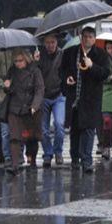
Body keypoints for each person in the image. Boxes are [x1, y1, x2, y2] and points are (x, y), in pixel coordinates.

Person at [61, 27, 110, 173]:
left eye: (90, 37)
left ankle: (86, 161)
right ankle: (75, 158)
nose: (87, 39)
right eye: (85, 36)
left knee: (89, 129)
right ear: (81, 37)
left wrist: (92, 66)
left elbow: (105, 73)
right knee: (75, 130)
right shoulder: (70, 52)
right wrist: (67, 78)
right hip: (74, 98)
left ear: (94, 39)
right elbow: (62, 70)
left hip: (91, 100)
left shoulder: (100, 54)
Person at [5, 49, 44, 175]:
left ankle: (32, 161)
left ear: (26, 59)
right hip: (15, 108)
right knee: (14, 137)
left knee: (32, 138)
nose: (18, 63)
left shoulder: (35, 71)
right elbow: (9, 90)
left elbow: (39, 89)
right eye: (15, 61)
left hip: (30, 109)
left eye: (20, 61)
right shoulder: (12, 71)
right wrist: (7, 86)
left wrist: (35, 105)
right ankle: (15, 164)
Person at [34, 34, 66, 167]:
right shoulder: (39, 55)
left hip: (59, 95)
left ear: (56, 42)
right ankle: (48, 153)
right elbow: (34, 75)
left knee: (59, 125)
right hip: (44, 96)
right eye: (47, 42)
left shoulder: (63, 55)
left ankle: (58, 151)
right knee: (43, 129)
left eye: (52, 42)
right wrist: (35, 63)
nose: (50, 45)